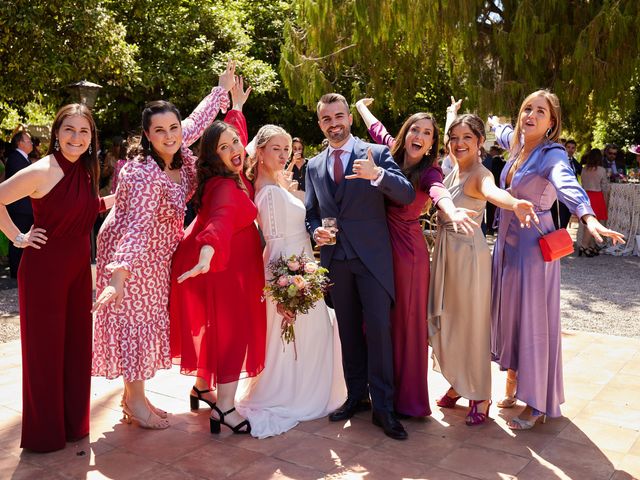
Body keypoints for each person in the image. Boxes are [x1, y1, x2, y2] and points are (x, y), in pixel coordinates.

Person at [91, 62, 235, 430]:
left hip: (158, 252)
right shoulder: (141, 173)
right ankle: (135, 403)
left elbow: (197, 120)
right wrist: (118, 276)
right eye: (160, 131)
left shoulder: (178, 150)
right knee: (134, 320)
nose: (170, 135)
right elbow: (136, 228)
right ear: (147, 135)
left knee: (148, 319)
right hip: (130, 252)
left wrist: (221, 90)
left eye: (173, 127)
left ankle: (133, 397)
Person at [489, 90, 624, 430]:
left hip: (534, 246)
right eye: (527, 109)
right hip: (506, 244)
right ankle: (514, 383)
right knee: (511, 317)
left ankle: (536, 403)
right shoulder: (517, 143)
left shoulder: (552, 154)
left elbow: (567, 184)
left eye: (540, 112)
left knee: (533, 322)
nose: (530, 115)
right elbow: (502, 129)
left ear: (551, 123)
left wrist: (588, 217)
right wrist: (492, 121)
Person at [0, 104, 114, 452]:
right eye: (69, 130)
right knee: (46, 354)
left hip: (79, 273)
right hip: (44, 273)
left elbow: (82, 208)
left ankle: (70, 425)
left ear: (91, 137)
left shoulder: (86, 170)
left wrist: (115, 199)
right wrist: (18, 237)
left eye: (83, 131)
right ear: (56, 133)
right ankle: (45, 435)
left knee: (76, 349)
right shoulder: (43, 169)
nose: (76, 138)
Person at [355, 98, 477, 418]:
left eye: (427, 132)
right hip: (379, 250)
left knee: (406, 326)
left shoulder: (430, 171)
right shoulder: (389, 155)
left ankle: (407, 401)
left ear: (432, 143)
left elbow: (440, 193)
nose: (419, 135)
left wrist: (451, 212)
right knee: (377, 322)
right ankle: (377, 391)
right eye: (414, 129)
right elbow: (377, 128)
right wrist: (360, 106)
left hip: (408, 255)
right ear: (406, 133)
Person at [305, 93, 415, 440]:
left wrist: (377, 174)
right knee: (349, 334)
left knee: (379, 334)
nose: (334, 124)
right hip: (336, 262)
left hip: (372, 260)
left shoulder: (377, 154)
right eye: (327, 119)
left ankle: (384, 409)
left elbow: (407, 194)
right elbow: (311, 213)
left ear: (349, 119)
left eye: (339, 117)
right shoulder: (313, 165)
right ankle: (356, 397)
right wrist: (315, 231)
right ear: (320, 123)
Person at [234, 125, 346, 438]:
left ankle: (309, 390)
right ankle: (290, 394)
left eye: (286, 149)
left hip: (302, 262)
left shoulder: (277, 182)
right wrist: (285, 288)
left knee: (316, 332)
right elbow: (275, 241)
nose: (283, 155)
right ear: (260, 152)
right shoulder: (267, 190)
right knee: (296, 334)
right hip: (288, 268)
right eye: (276, 149)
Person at [428, 114, 537, 426]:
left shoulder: (480, 174)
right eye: (455, 138)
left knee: (471, 326)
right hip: (446, 254)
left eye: (467, 138)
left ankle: (480, 394)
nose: (459, 143)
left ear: (479, 143)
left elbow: (493, 192)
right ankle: (459, 382)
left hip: (468, 258)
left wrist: (513, 203)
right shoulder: (451, 171)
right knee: (449, 321)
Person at [169, 120, 266, 435]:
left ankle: (201, 387)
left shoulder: (228, 174)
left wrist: (236, 109)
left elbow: (234, 135)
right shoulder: (224, 186)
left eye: (235, 142)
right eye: (224, 148)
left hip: (228, 267)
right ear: (213, 157)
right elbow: (220, 223)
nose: (234, 150)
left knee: (216, 329)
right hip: (223, 269)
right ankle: (224, 408)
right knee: (232, 334)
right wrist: (208, 253)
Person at [5, 129, 34, 278]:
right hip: (20, 208)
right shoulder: (16, 158)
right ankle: (16, 272)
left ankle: (21, 270)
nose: (31, 143)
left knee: (23, 239)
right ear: (20, 143)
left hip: (24, 207)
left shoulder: (23, 158)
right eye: (28, 140)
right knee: (17, 238)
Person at [579, 149, 609, 256]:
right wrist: (605, 202)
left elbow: (582, 184)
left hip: (586, 196)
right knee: (593, 223)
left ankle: (591, 246)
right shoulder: (601, 170)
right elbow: (605, 187)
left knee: (589, 222)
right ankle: (584, 245)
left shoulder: (584, 170)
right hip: (597, 196)